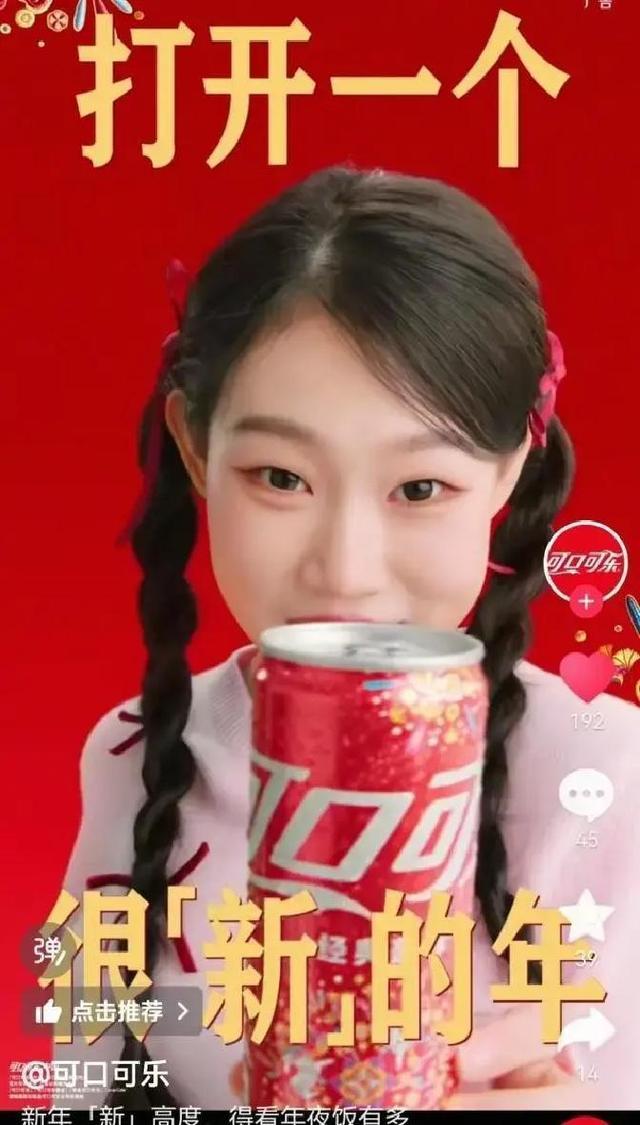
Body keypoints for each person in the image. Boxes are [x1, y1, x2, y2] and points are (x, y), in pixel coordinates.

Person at [48, 164, 640, 1111]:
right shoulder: (133, 753)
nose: (346, 571)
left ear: (509, 472)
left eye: (420, 487)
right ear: (196, 448)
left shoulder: (605, 772)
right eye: (281, 477)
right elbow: (74, 1086)